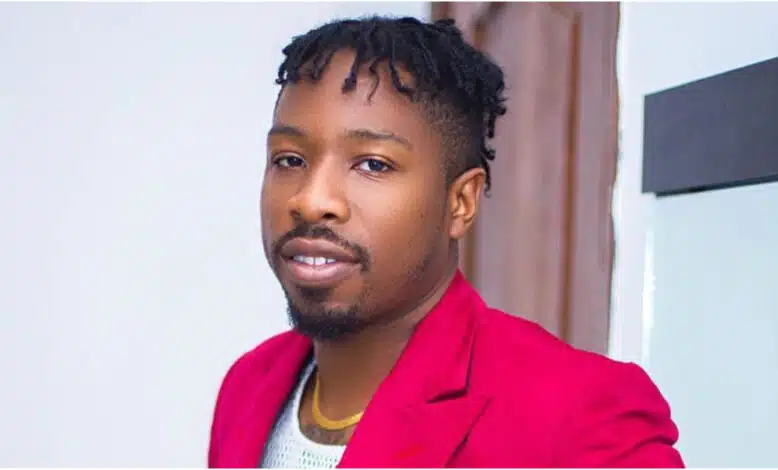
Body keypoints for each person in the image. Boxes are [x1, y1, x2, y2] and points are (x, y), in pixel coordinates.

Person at [208, 15, 684, 469]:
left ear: (460, 202)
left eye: (373, 164)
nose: (312, 201)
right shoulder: (250, 385)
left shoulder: (582, 415)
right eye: (289, 160)